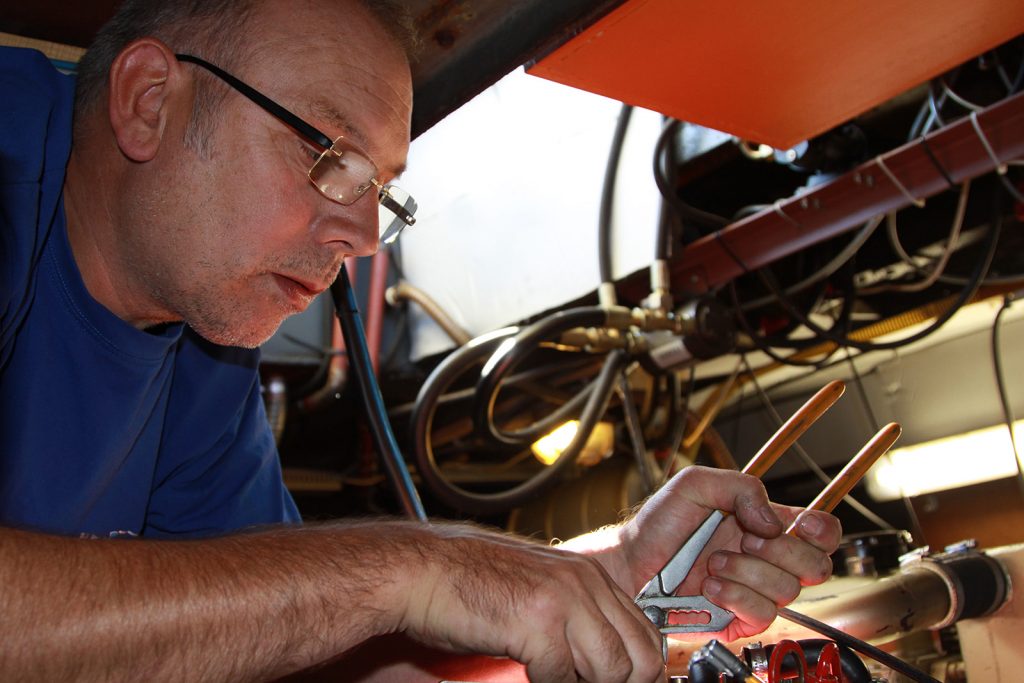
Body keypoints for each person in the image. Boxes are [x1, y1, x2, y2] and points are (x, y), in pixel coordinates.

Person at [0, 0, 842, 680]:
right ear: (150, 101)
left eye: (382, 192)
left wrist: (606, 580)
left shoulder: (205, 355)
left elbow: (284, 639)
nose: (365, 234)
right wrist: (406, 564)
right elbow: (357, 590)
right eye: (329, 153)